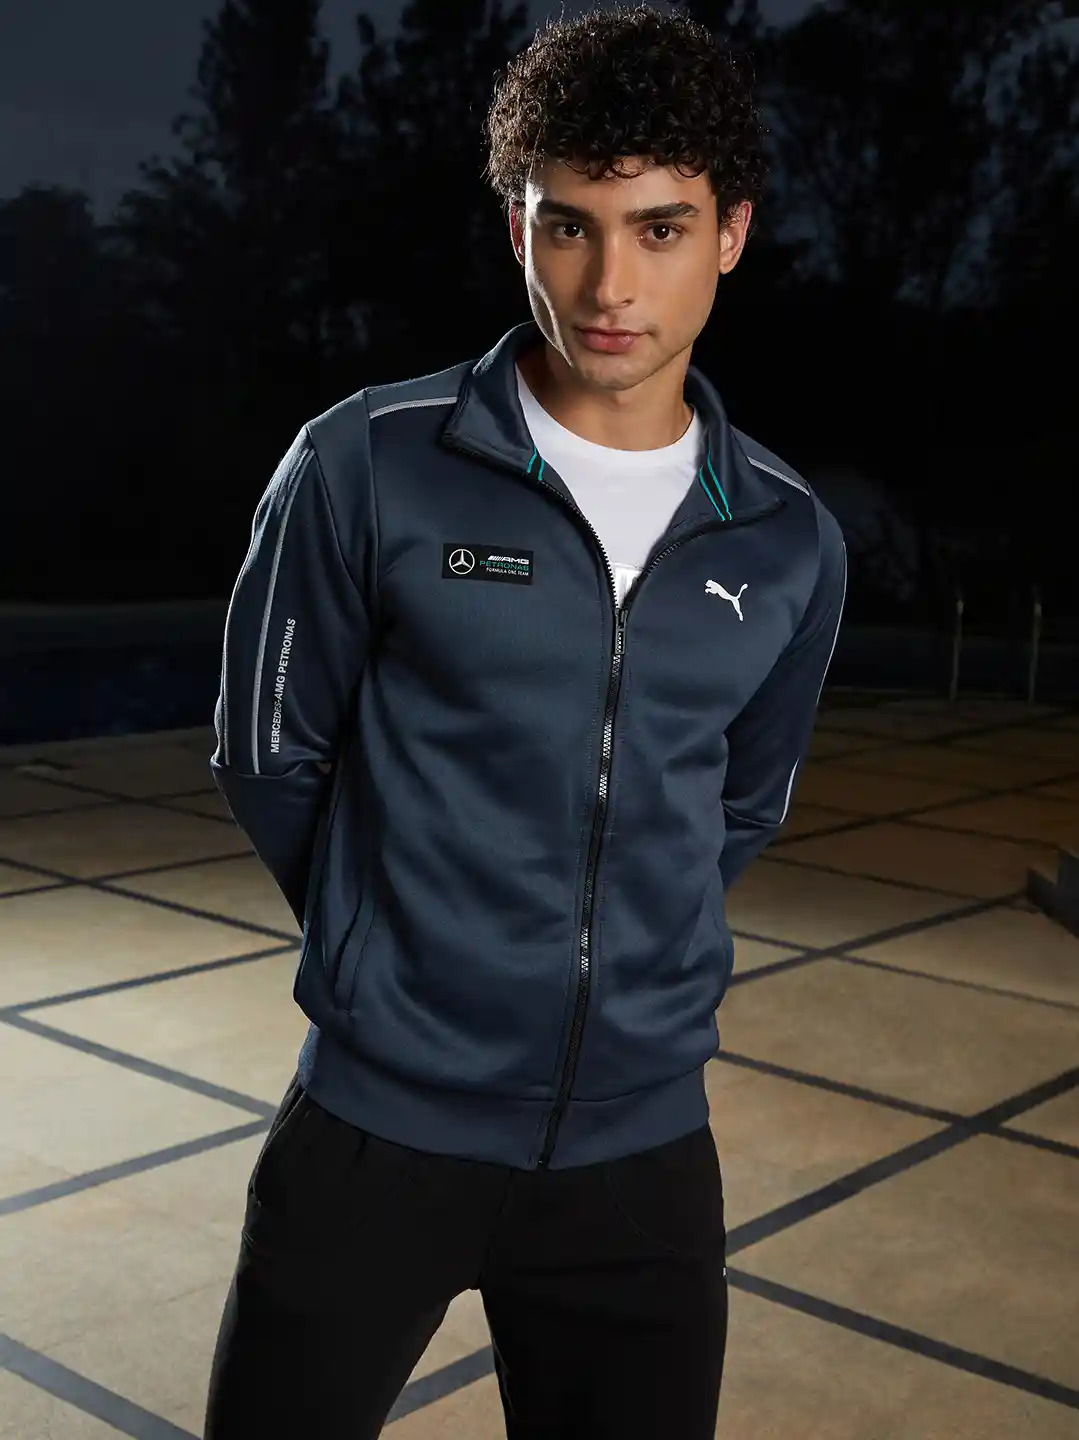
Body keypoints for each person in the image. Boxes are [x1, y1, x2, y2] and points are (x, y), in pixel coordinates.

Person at [203, 5, 846, 1437]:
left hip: (641, 1158)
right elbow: (267, 754)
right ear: (517, 228)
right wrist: (394, 944)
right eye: (570, 225)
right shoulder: (365, 466)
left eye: (661, 229)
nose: (611, 283)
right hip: (376, 1132)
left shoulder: (789, 537)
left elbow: (742, 804)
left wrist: (614, 961)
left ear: (732, 234)